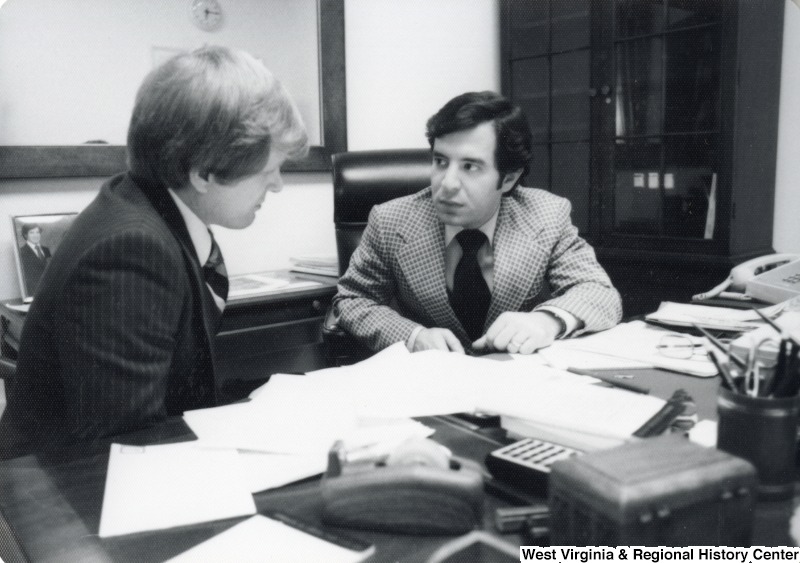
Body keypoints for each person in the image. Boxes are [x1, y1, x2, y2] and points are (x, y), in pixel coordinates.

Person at [0, 46, 308, 459]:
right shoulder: (131, 250)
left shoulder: (149, 210)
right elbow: (124, 447)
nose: (277, 187)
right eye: (269, 171)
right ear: (203, 172)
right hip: (64, 499)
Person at [334, 91, 621, 356]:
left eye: (470, 167)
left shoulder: (546, 215)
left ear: (508, 178)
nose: (446, 184)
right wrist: (413, 335)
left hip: (517, 385)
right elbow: (353, 299)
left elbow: (599, 293)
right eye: (441, 161)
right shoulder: (391, 221)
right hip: (430, 386)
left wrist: (546, 321)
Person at [17, 223, 52, 296]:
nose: (35, 235)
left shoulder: (46, 250)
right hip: (34, 293)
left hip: (50, 289)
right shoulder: (21, 253)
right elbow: (27, 278)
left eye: (37, 232)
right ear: (25, 235)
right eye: (32, 232)